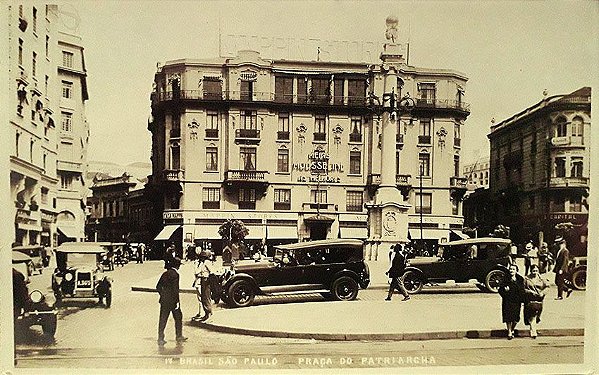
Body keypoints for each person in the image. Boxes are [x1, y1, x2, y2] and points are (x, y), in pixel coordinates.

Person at [156, 257, 187, 345]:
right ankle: (179, 336)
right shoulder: (175, 275)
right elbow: (175, 290)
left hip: (164, 301)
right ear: (177, 265)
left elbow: (158, 287)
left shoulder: (165, 274)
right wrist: (176, 302)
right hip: (173, 302)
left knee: (163, 319)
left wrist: (163, 295)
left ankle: (160, 338)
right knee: (178, 318)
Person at [498, 263, 525, 339]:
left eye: (513, 269)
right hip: (508, 300)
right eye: (510, 269)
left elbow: (522, 290)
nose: (511, 271)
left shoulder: (520, 279)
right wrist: (505, 291)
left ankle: (512, 329)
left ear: (516, 271)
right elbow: (500, 290)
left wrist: (522, 299)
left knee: (516, 318)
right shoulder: (505, 279)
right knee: (508, 317)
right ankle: (509, 331)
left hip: (517, 301)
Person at [523, 264, 550, 338]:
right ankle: (533, 331)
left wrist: (543, 293)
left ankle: (532, 328)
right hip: (530, 300)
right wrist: (530, 292)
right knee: (532, 315)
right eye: (533, 271)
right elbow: (523, 289)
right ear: (531, 271)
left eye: (536, 271)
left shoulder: (542, 279)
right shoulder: (527, 279)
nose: (535, 272)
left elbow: (547, 287)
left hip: (539, 300)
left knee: (536, 316)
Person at [192, 250, 216, 322]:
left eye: (203, 257)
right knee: (204, 298)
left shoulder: (207, 262)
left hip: (206, 280)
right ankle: (206, 314)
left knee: (206, 297)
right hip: (203, 280)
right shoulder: (203, 263)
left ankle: (209, 314)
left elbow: (212, 271)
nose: (202, 258)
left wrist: (208, 279)